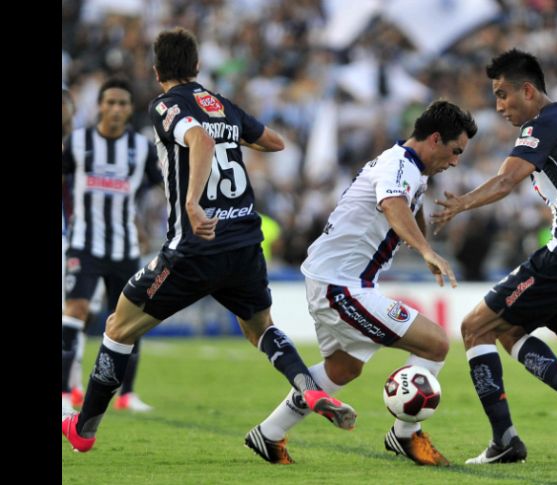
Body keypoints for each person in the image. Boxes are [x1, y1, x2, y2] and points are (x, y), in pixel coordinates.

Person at [62, 27, 356, 453]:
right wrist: (230, 133)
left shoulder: (164, 105)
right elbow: (273, 141)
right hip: (244, 245)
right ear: (197, 66)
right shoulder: (219, 104)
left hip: (195, 248)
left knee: (118, 327)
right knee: (261, 330)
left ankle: (83, 430)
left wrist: (194, 202)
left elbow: (197, 138)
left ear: (156, 69)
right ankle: (307, 387)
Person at [246, 100, 476, 466]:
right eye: (455, 151)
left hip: (338, 280)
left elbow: (405, 203)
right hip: (341, 285)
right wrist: (426, 251)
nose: (455, 161)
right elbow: (392, 204)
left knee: (344, 369)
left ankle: (269, 434)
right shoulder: (397, 165)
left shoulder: (411, 169)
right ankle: (406, 435)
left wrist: (424, 239)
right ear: (435, 139)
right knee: (435, 343)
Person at [430, 48, 557, 463]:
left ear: (529, 90)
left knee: (474, 329)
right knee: (509, 330)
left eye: (502, 95)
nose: (499, 106)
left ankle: (507, 441)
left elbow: (505, 182)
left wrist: (459, 204)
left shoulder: (541, 126)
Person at [61, 79, 161, 415]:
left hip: (125, 248)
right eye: (111, 102)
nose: (116, 109)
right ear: (99, 106)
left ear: (130, 109)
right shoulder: (76, 143)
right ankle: (63, 393)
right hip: (83, 244)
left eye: (123, 103)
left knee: (130, 319)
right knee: (75, 310)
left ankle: (126, 394)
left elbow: (156, 185)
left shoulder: (141, 148)